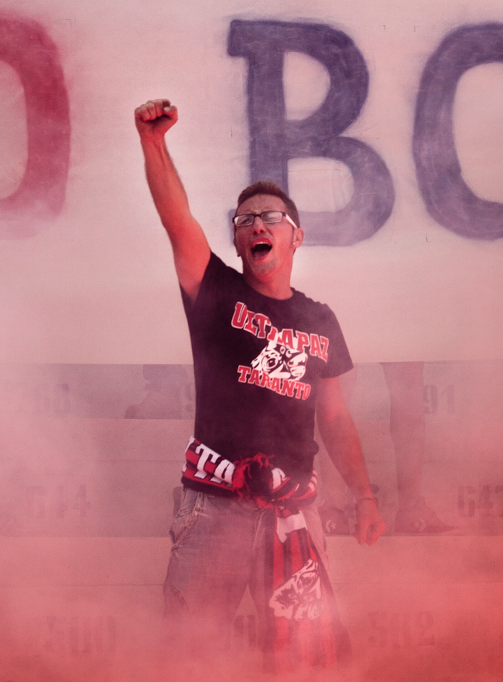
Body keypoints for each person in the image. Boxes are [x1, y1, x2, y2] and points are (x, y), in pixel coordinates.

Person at [135, 100, 386, 664]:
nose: (256, 225)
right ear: (237, 242)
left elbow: (337, 417)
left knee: (303, 662)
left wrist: (365, 495)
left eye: (270, 217)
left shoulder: (320, 319)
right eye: (245, 220)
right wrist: (154, 145)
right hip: (215, 509)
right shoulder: (216, 292)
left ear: (296, 237)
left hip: (294, 512)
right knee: (188, 656)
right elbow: (178, 220)